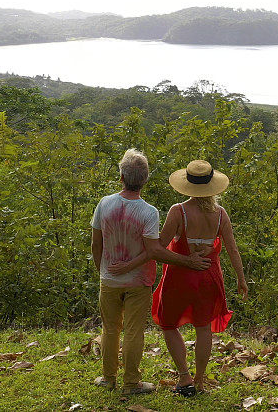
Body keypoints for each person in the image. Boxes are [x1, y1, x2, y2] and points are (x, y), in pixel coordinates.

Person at [110, 159, 248, 397]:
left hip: (180, 276)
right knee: (204, 328)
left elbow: (159, 247)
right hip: (209, 276)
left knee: (168, 324)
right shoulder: (220, 214)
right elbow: (233, 250)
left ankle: (184, 376)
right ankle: (200, 379)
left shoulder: (179, 211)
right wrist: (241, 279)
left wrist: (130, 265)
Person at [90, 149, 211, 395]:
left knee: (110, 328)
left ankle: (107, 378)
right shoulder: (149, 212)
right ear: (145, 180)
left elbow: (96, 244)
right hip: (139, 280)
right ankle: (131, 383)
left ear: (121, 177)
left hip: (109, 278)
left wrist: (102, 269)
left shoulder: (104, 203)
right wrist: (188, 261)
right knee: (134, 331)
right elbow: (154, 251)